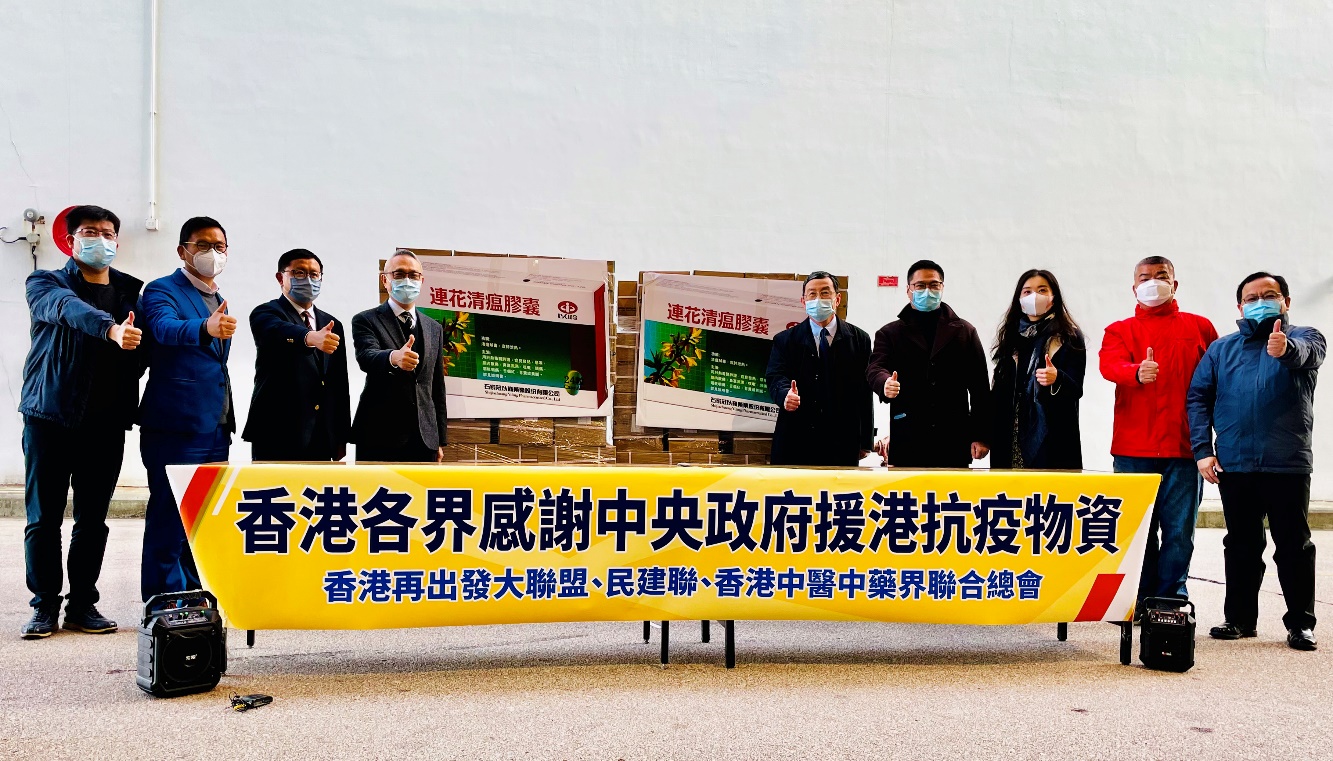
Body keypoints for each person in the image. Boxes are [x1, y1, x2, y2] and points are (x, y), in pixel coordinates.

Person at [18, 206, 146, 638]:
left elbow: (146, 350)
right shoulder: (46, 283)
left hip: (105, 422)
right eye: (90, 232)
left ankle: (82, 605)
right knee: (44, 518)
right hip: (50, 415)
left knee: (92, 520)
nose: (101, 240)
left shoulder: (131, 292)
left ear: (117, 241)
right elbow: (64, 309)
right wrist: (110, 329)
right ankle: (43, 605)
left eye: (108, 233)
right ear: (71, 241)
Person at [1188, 271, 1324, 651]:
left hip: (1286, 463)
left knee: (1293, 546)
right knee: (1241, 545)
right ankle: (1239, 619)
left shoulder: (1306, 337)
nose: (1259, 302)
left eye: (1269, 295)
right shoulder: (1221, 350)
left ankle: (1301, 624)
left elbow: (1309, 354)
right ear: (1240, 306)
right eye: (1251, 297)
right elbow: (1198, 397)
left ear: (1286, 301)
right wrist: (1202, 450)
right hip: (1235, 464)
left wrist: (1286, 349)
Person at [1100, 256, 1217, 617]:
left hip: (1184, 447)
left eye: (1161, 276)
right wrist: (1135, 372)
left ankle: (1171, 601)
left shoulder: (1199, 327)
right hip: (1133, 449)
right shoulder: (1119, 330)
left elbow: (1216, 380)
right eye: (1145, 277)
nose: (1153, 282)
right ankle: (1140, 598)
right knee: (1139, 532)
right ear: (1134, 287)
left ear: (1174, 284)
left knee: (1179, 531)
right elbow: (1109, 365)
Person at [138, 216, 236, 603]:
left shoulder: (217, 297)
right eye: (203, 245)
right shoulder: (162, 290)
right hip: (175, 425)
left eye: (219, 246)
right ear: (183, 251)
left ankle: (193, 598)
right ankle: (161, 602)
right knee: (169, 515)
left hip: (215, 425)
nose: (213, 253)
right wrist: (204, 328)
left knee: (201, 519)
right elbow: (164, 329)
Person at [866, 260, 990, 467]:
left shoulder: (964, 332)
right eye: (920, 285)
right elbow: (875, 368)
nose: (927, 291)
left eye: (934, 285)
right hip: (908, 435)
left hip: (953, 436)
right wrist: (884, 382)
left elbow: (980, 388)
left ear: (942, 288)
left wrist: (981, 435)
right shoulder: (890, 333)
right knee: (907, 487)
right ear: (908, 290)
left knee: (952, 488)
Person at [243, 249, 351, 461]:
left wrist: (341, 435)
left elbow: (339, 382)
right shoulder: (266, 313)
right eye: (299, 273)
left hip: (322, 434)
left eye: (314, 274)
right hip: (277, 431)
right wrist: (309, 337)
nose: (308, 280)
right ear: (280, 277)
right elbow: (277, 331)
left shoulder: (332, 323)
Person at [765, 271, 874, 466]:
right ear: (803, 301)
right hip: (796, 438)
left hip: (842, 439)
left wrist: (866, 441)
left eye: (825, 293)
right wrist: (784, 395)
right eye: (812, 294)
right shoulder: (785, 340)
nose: (818, 299)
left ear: (837, 299)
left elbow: (865, 392)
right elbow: (775, 376)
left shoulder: (859, 340)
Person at [351, 250, 448, 462]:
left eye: (413, 275)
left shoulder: (434, 328)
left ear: (422, 281)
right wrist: (394, 357)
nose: (407, 280)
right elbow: (366, 356)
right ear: (385, 280)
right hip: (378, 434)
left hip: (424, 438)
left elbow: (437, 387)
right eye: (399, 274)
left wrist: (440, 439)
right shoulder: (366, 320)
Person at [988, 269, 1085, 469]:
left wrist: (1057, 378)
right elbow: (998, 390)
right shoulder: (1011, 335)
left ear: (1053, 297)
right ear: (1019, 299)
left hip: (1050, 434)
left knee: (1047, 487)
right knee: (1009, 487)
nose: (1034, 296)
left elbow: (1076, 388)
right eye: (1027, 291)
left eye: (1042, 290)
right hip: (1010, 430)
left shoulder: (1068, 336)